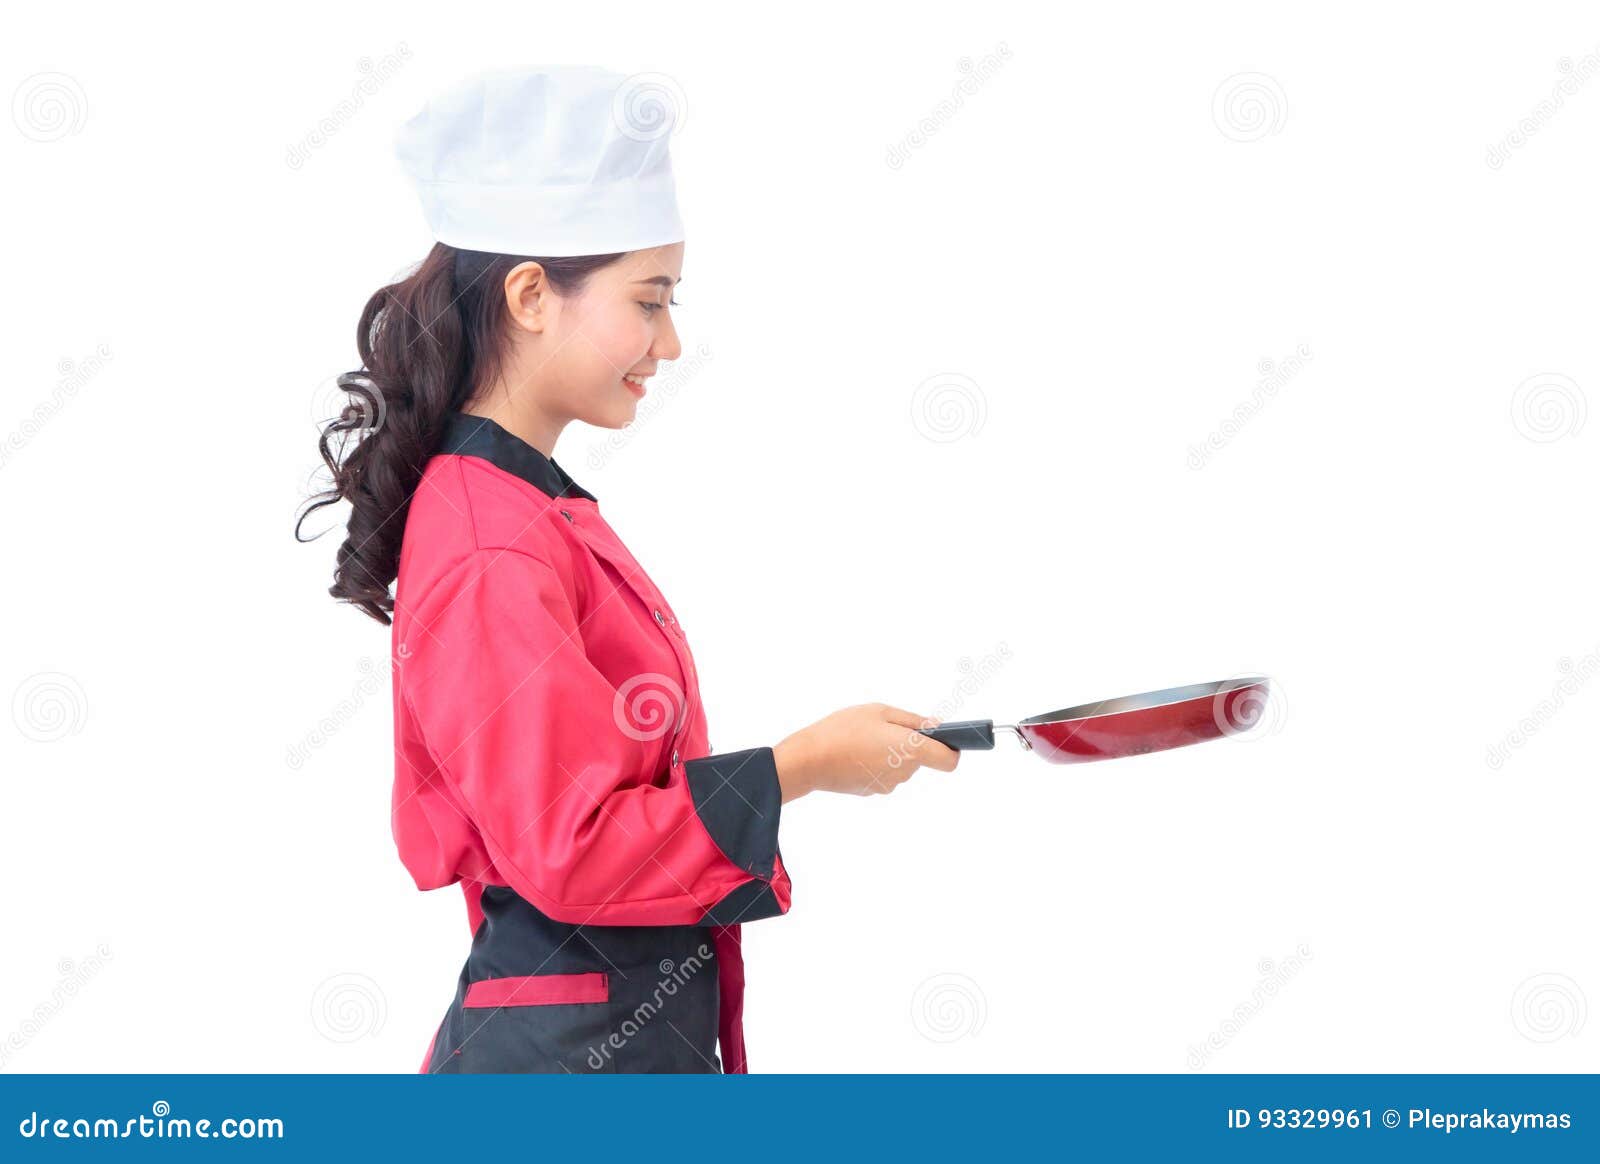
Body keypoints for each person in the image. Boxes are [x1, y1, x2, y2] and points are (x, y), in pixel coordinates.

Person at [298, 65, 959, 1074]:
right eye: (649, 302)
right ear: (530, 295)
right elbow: (570, 849)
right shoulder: (488, 540)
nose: (672, 342)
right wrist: (804, 767)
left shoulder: (524, 509)